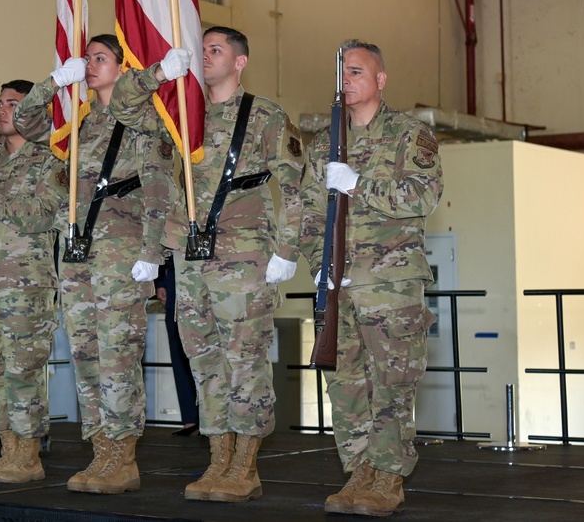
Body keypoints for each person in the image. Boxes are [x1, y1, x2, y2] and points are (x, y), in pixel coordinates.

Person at [108, 26, 305, 503]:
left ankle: (246, 465)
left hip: (242, 255)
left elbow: (299, 185)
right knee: (205, 365)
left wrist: (286, 248)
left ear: (240, 62)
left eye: (216, 50)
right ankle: (219, 458)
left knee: (245, 362)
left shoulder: (263, 115)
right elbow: (121, 105)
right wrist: (159, 72)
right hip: (188, 261)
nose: (206, 57)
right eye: (202, 51)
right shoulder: (179, 114)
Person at [8, 34, 173, 495]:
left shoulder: (142, 122)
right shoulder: (77, 124)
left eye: (100, 58)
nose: (90, 65)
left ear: (124, 69)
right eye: (87, 59)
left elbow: (160, 187)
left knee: (118, 356)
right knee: (85, 355)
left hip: (121, 251)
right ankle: (101, 450)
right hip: (76, 252)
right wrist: (57, 82)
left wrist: (152, 252)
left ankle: (123, 457)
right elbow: (25, 119)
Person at [300, 39, 443, 517]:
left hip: (390, 283)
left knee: (391, 381)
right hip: (337, 285)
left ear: (380, 80)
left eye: (357, 71)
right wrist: (316, 263)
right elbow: (305, 211)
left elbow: (423, 197)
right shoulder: (324, 143)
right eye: (342, 72)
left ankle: (388, 476)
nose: (347, 80)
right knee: (344, 382)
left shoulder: (408, 134)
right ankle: (359, 470)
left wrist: (360, 185)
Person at [0, 79, 62, 484]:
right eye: (0, 104)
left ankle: (29, 455)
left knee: (25, 370)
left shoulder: (49, 160)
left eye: (13, 104)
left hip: (27, 284)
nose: (4, 110)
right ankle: (8, 449)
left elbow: (45, 214)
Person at [155, 258, 198, 436]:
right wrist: (160, 282)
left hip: (203, 277)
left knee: (207, 358)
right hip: (174, 279)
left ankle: (214, 422)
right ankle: (190, 419)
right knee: (179, 353)